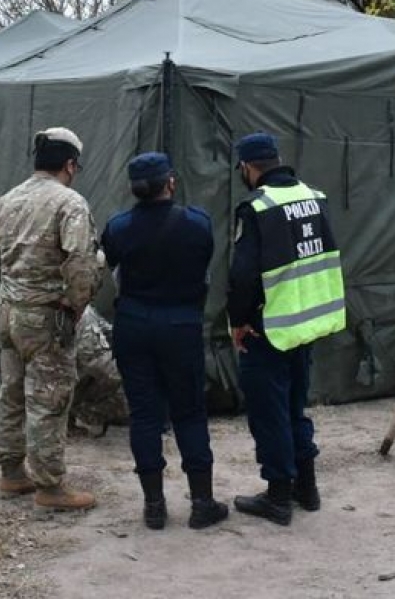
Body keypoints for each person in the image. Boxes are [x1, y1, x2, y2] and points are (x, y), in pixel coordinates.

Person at [100, 151, 228, 530]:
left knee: (144, 414)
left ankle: (154, 505)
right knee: (189, 412)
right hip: (180, 325)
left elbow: (104, 264)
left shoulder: (119, 227)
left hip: (134, 324)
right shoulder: (198, 224)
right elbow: (204, 263)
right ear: (170, 182)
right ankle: (202, 502)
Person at [228, 132, 346, 526]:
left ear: (247, 167)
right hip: (307, 321)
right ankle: (307, 488)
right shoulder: (316, 197)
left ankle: (278, 496)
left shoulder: (257, 208)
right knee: (296, 405)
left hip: (269, 326)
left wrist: (239, 321)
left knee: (269, 412)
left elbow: (243, 275)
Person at [0, 127, 104, 512]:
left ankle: (11, 472)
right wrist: (75, 304)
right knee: (49, 399)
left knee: (12, 393)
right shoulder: (69, 203)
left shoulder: (7, 199)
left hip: (7, 312)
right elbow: (81, 263)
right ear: (69, 164)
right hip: (46, 316)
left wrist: (15, 284)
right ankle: (50, 488)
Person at [69, 305, 130, 437]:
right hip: (69, 379)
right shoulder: (81, 315)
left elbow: (108, 330)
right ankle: (86, 415)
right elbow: (95, 363)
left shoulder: (87, 310)